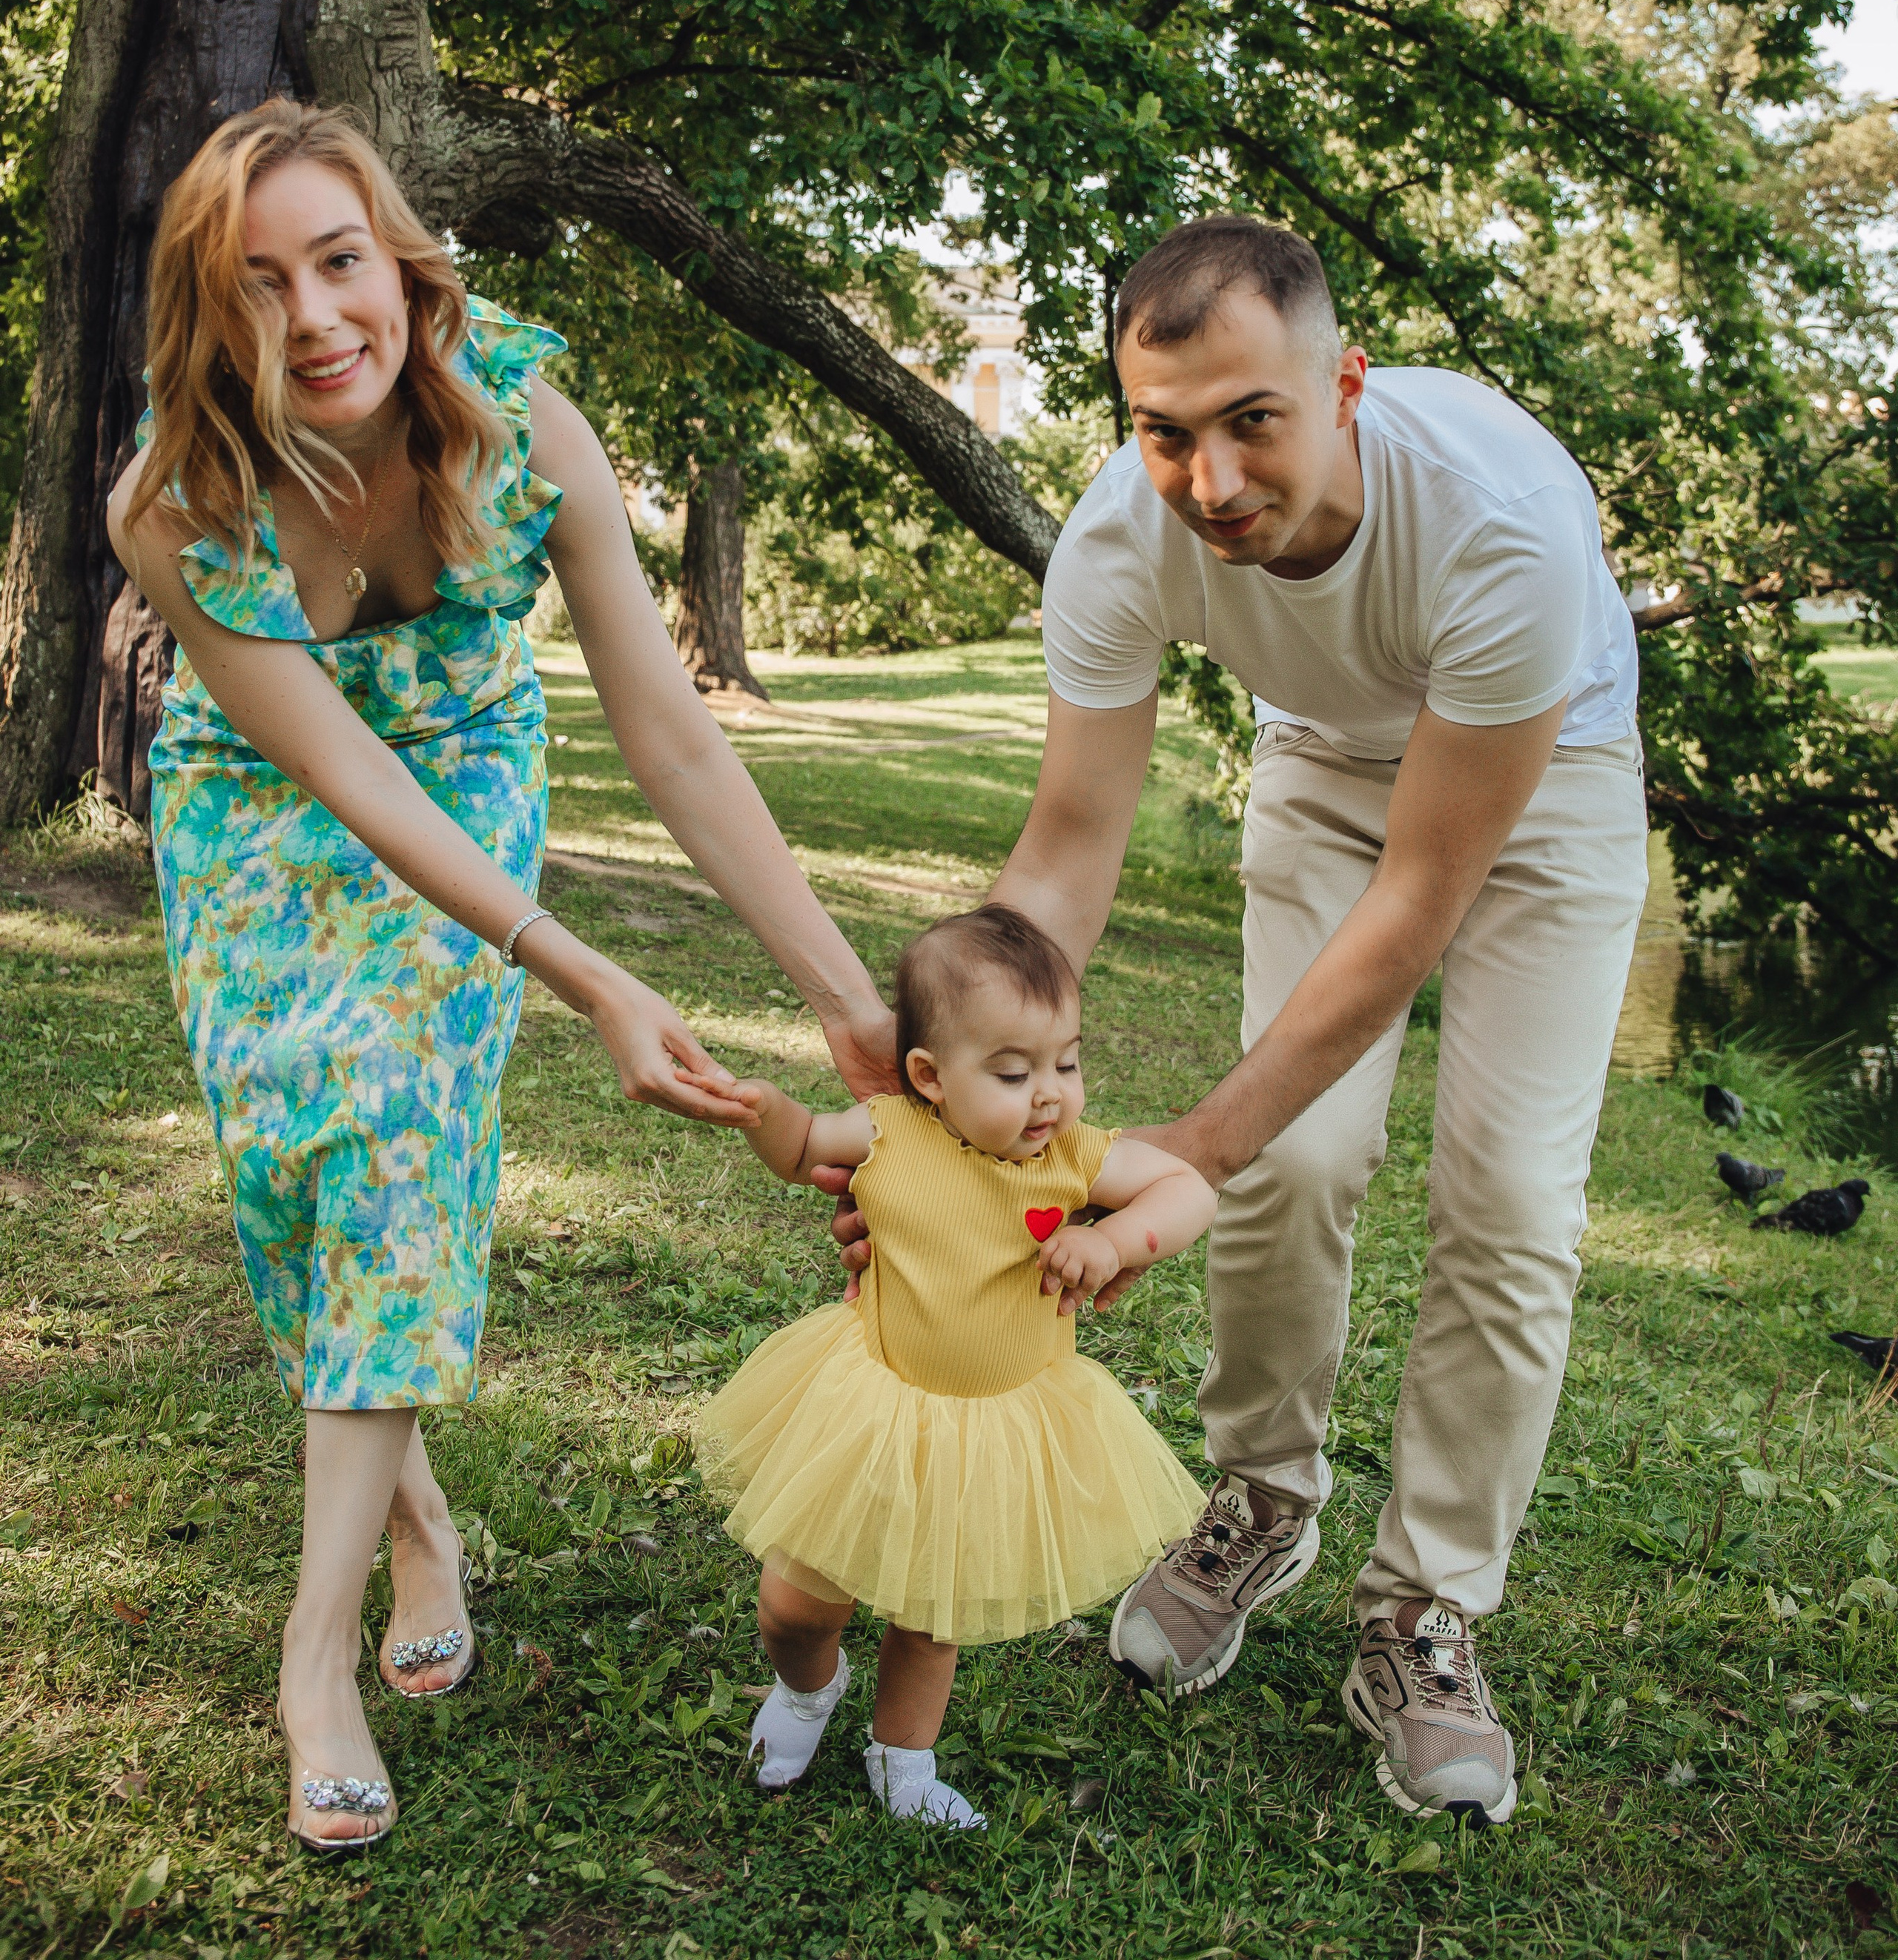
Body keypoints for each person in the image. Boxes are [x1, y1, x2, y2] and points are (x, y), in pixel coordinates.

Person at [110, 101, 894, 1858]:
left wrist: (838, 989)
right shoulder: (174, 504)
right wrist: (588, 975)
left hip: (466, 774)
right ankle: (412, 1520)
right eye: (258, 287)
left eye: (339, 260)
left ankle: (312, 1663)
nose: (316, 317)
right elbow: (337, 777)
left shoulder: (522, 412)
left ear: (397, 258)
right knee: (288, 1185)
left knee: (386, 1129)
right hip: (261, 801)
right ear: (206, 319)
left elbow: (665, 731)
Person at [833, 213, 1647, 1830]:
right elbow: (1064, 852)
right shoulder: (1117, 542)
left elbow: (1418, 905)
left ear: (1341, 385)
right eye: (1164, 433)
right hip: (1326, 765)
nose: (1207, 481)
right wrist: (944, 1121)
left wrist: (1183, 1148)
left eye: (1250, 422)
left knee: (1507, 1204)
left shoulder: (1494, 529)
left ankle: (1425, 1607)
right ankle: (1260, 1496)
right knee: (1288, 1168)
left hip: (1542, 777)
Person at [697, 905, 1215, 1829]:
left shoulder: (1072, 1159)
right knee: (796, 1605)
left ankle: (904, 1758)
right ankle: (809, 1690)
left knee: (933, 1619)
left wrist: (1120, 1240)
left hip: (995, 1428)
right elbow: (804, 1147)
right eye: (1014, 1073)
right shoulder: (892, 1132)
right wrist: (762, 1113)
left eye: (1067, 1061)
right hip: (872, 1409)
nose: (1050, 1094)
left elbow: (1190, 1189)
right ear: (930, 1078)